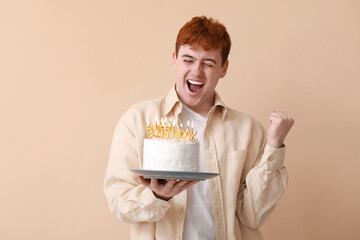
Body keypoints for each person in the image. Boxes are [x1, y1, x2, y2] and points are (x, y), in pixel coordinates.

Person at [104, 16, 294, 240]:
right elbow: (118, 201)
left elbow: (252, 217)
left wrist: (274, 146)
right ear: (174, 60)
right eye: (188, 59)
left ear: (223, 68)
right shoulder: (138, 120)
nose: (196, 71)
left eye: (208, 63)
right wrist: (158, 196)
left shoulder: (248, 130)